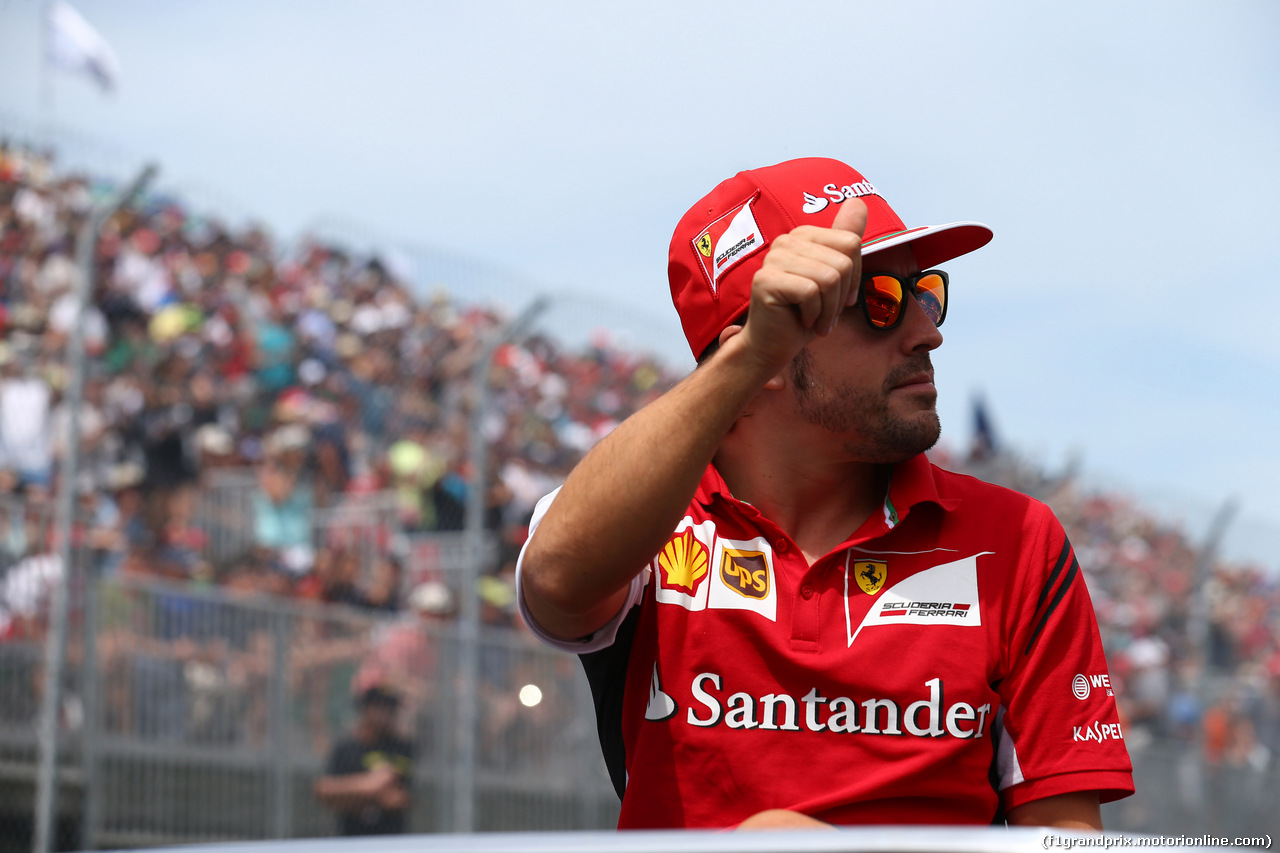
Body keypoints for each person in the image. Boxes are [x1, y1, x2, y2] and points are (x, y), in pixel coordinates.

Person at [516, 158, 1134, 830]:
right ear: (763, 351)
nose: (928, 331)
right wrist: (750, 356)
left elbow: (1071, 842)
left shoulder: (1016, 538)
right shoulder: (650, 519)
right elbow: (556, 580)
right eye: (879, 302)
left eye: (925, 292)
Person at [314, 684, 414, 835]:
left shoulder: (402, 747)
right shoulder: (346, 747)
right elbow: (324, 791)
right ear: (366, 708)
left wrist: (348, 797)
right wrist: (369, 785)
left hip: (392, 840)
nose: (388, 714)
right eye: (381, 707)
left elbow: (400, 799)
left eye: (391, 709)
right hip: (352, 840)